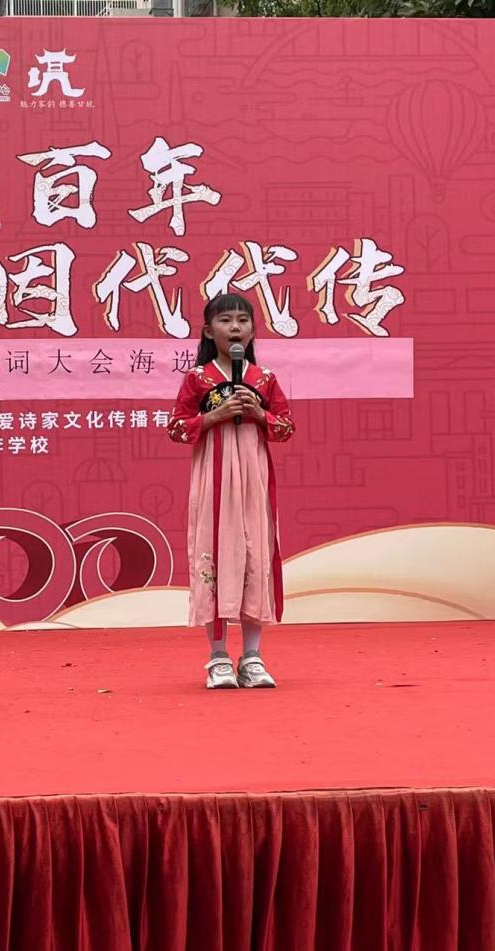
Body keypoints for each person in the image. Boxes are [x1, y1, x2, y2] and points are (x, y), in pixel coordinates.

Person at [167, 293, 295, 689]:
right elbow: (176, 428)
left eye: (242, 320)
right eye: (225, 320)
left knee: (255, 553)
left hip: (254, 475)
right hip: (214, 475)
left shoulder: (264, 379)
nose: (235, 327)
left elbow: (285, 428)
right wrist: (214, 416)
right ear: (209, 331)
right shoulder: (198, 378)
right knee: (216, 552)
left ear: (253, 330)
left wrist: (260, 414)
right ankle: (218, 656)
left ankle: (252, 657)